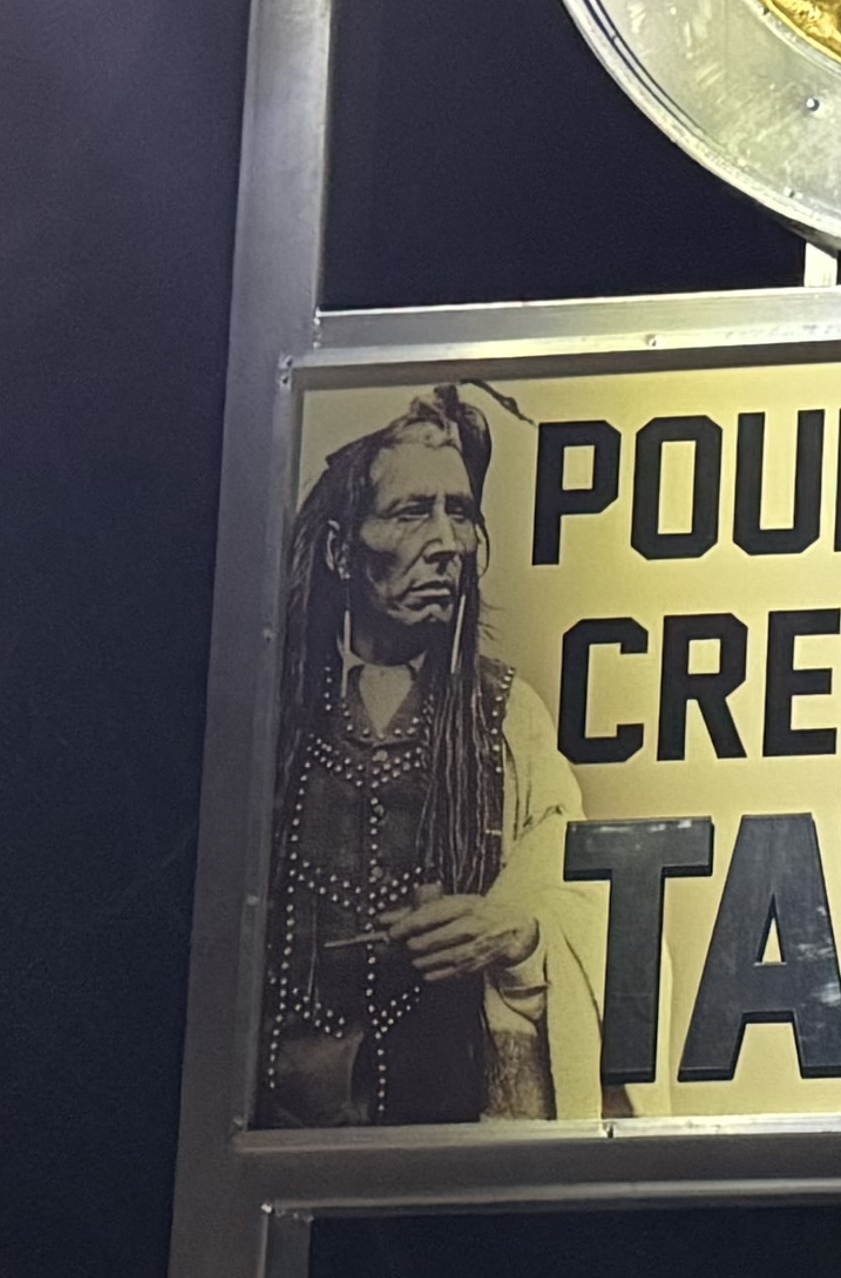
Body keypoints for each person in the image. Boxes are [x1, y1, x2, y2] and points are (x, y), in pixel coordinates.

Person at [254, 388, 603, 1124]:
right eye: (413, 513)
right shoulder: (264, 718)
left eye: (462, 513)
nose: (449, 543)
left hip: (440, 1149)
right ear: (342, 548)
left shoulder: (509, 717)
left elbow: (584, 895)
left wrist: (518, 932)